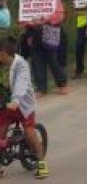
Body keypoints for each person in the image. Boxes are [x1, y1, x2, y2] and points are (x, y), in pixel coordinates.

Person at [0, 36, 49, 179]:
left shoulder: (21, 65)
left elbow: (20, 85)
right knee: (1, 132)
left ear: (3, 53)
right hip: (4, 103)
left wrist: (15, 102)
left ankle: (42, 162)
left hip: (22, 104)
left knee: (29, 134)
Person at [23, 0, 68, 97]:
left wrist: (45, 19)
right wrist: (28, 24)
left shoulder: (55, 0)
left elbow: (59, 16)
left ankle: (62, 84)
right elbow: (23, 19)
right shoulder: (29, 2)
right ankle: (41, 88)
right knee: (36, 60)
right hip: (34, 32)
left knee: (53, 59)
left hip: (51, 31)